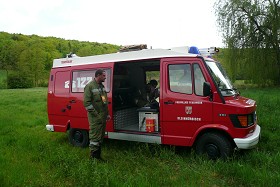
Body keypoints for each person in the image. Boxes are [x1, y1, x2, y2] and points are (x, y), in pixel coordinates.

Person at [83, 69, 110, 160]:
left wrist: (107, 114)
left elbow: (104, 101)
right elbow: (87, 103)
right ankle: (93, 158)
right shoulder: (90, 86)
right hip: (95, 118)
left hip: (102, 117)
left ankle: (98, 156)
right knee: (94, 137)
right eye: (103, 75)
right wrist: (96, 115)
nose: (105, 77)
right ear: (98, 75)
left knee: (100, 137)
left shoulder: (101, 86)